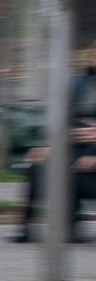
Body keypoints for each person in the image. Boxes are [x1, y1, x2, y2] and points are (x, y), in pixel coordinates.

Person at [13, 53, 96, 243]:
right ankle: (26, 224)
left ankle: (71, 225)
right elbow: (63, 122)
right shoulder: (78, 83)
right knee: (39, 165)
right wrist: (49, 146)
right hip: (77, 145)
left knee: (72, 169)